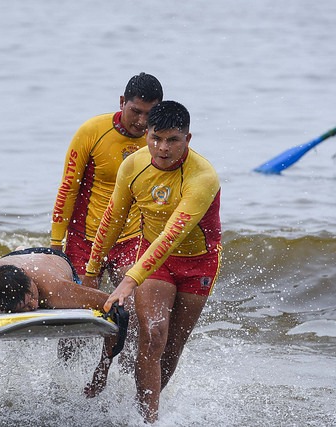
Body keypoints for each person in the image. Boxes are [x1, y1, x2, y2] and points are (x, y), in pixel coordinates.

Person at [83, 101, 222, 423]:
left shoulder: (203, 177)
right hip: (154, 262)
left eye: (173, 140)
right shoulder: (133, 165)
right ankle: (149, 420)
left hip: (198, 265)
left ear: (188, 139)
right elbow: (113, 220)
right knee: (154, 333)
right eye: (156, 138)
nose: (162, 148)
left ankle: (141, 405)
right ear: (147, 134)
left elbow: (171, 236)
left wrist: (128, 280)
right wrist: (91, 272)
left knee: (172, 347)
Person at [50, 72, 163, 287]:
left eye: (149, 114)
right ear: (122, 102)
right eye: (136, 111)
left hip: (131, 239)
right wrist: (56, 244)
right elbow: (68, 188)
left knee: (134, 305)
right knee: (79, 303)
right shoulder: (92, 131)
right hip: (85, 238)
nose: (142, 122)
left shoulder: (162, 142)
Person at [0, 248, 120, 348]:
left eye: (33, 296)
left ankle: (8, 253)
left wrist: (102, 370)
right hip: (4, 265)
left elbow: (116, 306)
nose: (34, 306)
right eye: (25, 307)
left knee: (72, 346)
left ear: (31, 282)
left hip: (49, 258)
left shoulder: (56, 289)